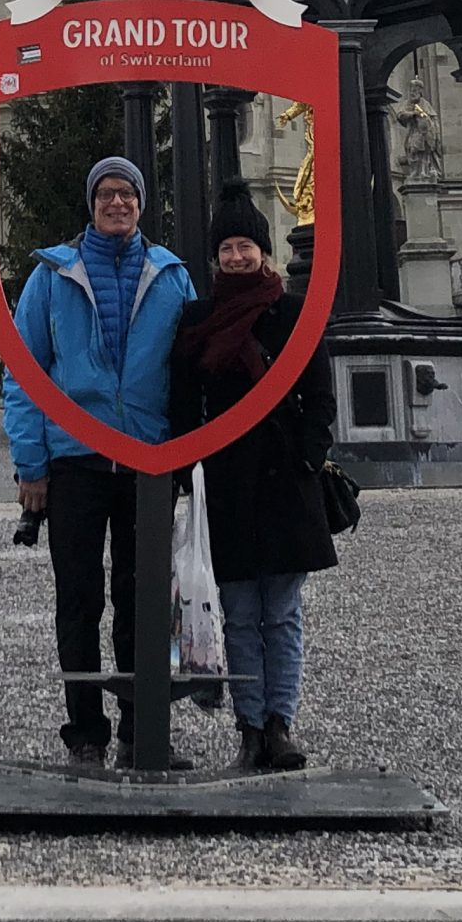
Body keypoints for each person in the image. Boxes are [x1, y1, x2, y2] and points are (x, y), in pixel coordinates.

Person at [2, 155, 197, 767]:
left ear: (141, 205)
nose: (117, 204)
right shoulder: (52, 277)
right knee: (80, 600)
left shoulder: (171, 276)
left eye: (128, 195)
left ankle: (142, 730)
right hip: (77, 461)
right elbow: (24, 374)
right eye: (107, 194)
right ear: (92, 204)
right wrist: (31, 464)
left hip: (147, 460)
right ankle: (85, 730)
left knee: (143, 603)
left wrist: (190, 457)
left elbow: (190, 373)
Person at [166, 181, 335, 773]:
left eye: (245, 246)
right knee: (237, 611)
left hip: (285, 477)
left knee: (283, 611)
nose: (237, 257)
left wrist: (310, 457)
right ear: (216, 258)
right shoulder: (198, 318)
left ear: (263, 251)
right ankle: (250, 726)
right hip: (227, 479)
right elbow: (183, 401)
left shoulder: (293, 312)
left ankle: (281, 723)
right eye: (227, 248)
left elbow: (319, 395)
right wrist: (189, 470)